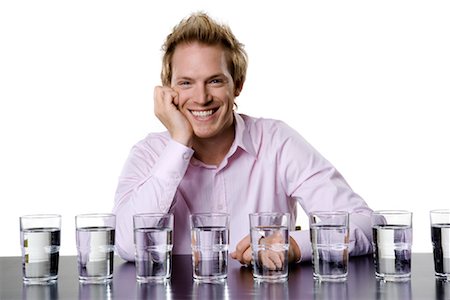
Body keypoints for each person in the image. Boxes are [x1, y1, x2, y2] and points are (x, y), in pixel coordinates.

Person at [112, 12, 373, 265]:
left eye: (215, 81)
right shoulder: (149, 154)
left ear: (237, 84)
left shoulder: (277, 142)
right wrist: (179, 142)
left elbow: (366, 224)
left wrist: (292, 245)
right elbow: (126, 243)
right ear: (168, 90)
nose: (201, 98)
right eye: (186, 83)